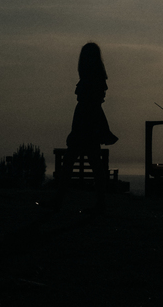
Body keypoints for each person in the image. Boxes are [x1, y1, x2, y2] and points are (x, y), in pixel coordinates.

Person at [64, 42, 119, 210]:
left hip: (85, 122)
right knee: (92, 163)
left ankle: (62, 199)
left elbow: (91, 104)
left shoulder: (92, 79)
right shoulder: (95, 78)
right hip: (88, 122)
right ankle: (100, 202)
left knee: (76, 162)